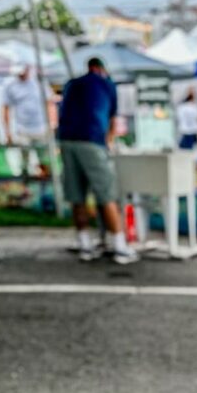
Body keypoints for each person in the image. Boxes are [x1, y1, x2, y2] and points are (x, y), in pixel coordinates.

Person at [58, 56, 138, 265]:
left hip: (66, 140)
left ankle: (84, 244)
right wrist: (108, 142)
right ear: (102, 69)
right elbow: (112, 120)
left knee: (77, 196)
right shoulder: (106, 84)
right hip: (92, 140)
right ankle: (120, 246)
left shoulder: (72, 84)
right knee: (106, 194)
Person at [2, 65, 51, 175]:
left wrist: (51, 125)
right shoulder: (10, 85)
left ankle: (46, 184)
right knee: (24, 163)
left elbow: (49, 103)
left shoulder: (40, 82)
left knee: (45, 161)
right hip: (22, 130)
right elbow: (5, 108)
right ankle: (26, 185)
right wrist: (7, 133)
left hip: (41, 129)